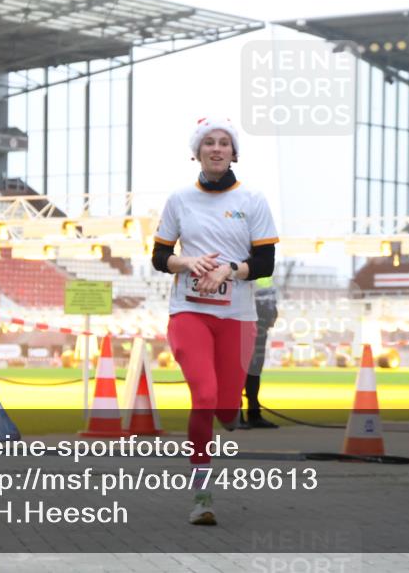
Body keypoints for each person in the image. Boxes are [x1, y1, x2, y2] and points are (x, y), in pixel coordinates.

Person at [150, 117, 277, 526]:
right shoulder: (180, 199)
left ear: (234, 152)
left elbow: (265, 262)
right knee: (204, 396)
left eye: (224, 143)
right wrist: (187, 261)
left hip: (238, 315)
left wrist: (227, 271)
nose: (217, 149)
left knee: (225, 407)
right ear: (197, 152)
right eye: (209, 143)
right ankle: (202, 495)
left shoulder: (253, 199)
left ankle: (230, 412)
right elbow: (158, 257)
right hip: (189, 311)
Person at [239, 277, 279, 429]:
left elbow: (269, 294)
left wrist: (272, 312)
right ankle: (236, 415)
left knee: (255, 370)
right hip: (244, 321)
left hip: (261, 323)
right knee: (240, 369)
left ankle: (254, 414)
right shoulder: (241, 259)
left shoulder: (265, 267)